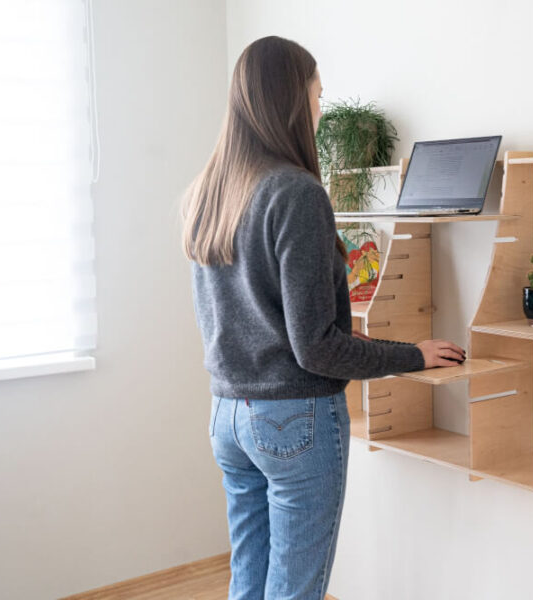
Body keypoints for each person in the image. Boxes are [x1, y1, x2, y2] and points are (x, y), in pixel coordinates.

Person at [181, 36, 465, 600]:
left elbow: (246, 313)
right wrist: (411, 355)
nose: (319, 108)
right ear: (292, 99)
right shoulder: (295, 192)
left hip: (228, 416)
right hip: (292, 420)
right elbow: (316, 349)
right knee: (294, 591)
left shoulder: (208, 193)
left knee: (251, 581)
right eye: (317, 94)